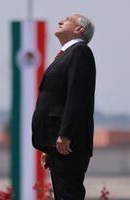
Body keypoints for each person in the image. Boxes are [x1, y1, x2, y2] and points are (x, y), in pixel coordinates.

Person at [31, 13, 96, 199]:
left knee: (69, 194)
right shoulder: (67, 54)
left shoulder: (80, 52)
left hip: (68, 143)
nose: (60, 21)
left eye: (66, 20)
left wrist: (65, 134)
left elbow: (78, 97)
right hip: (58, 143)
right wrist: (49, 146)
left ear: (79, 29)